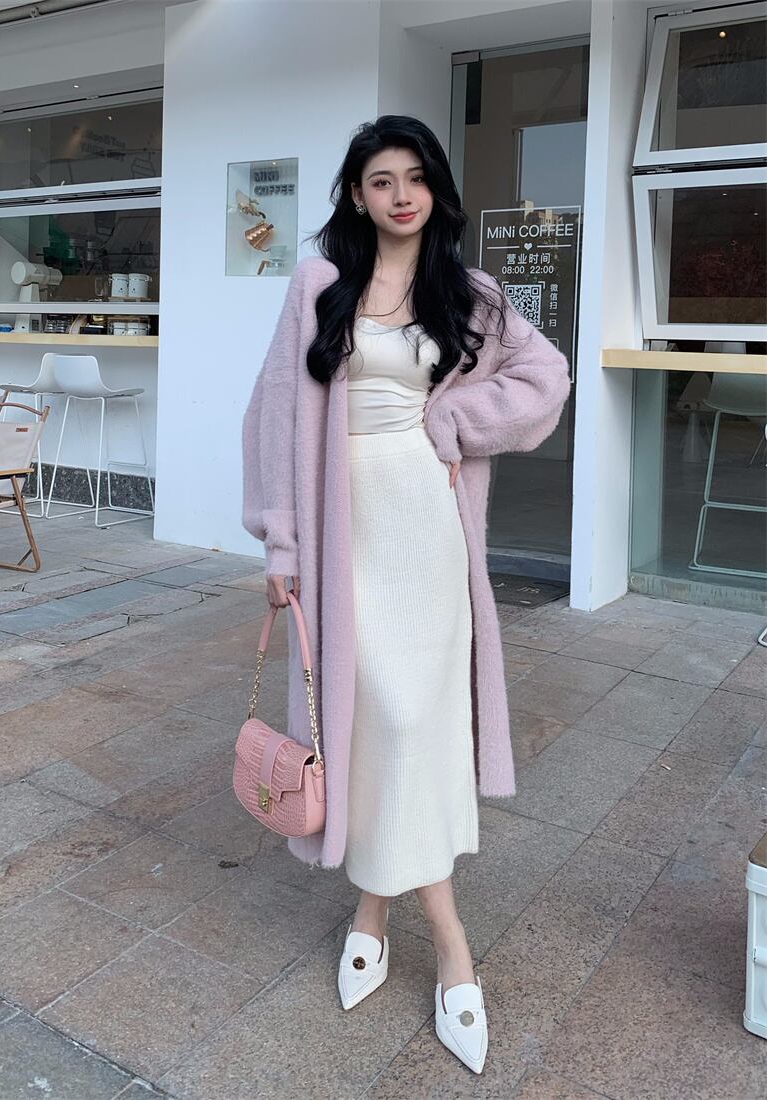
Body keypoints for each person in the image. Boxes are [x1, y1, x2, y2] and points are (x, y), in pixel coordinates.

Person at [242, 114, 571, 1075]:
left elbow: (544, 379)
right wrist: (281, 540)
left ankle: (383, 914)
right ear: (356, 193)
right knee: (376, 712)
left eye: (415, 178)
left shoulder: (470, 295)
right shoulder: (319, 285)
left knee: (413, 718)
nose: (400, 195)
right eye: (381, 180)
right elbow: (272, 415)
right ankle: (440, 937)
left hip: (427, 525)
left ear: (435, 191)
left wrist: (459, 415)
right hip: (343, 527)